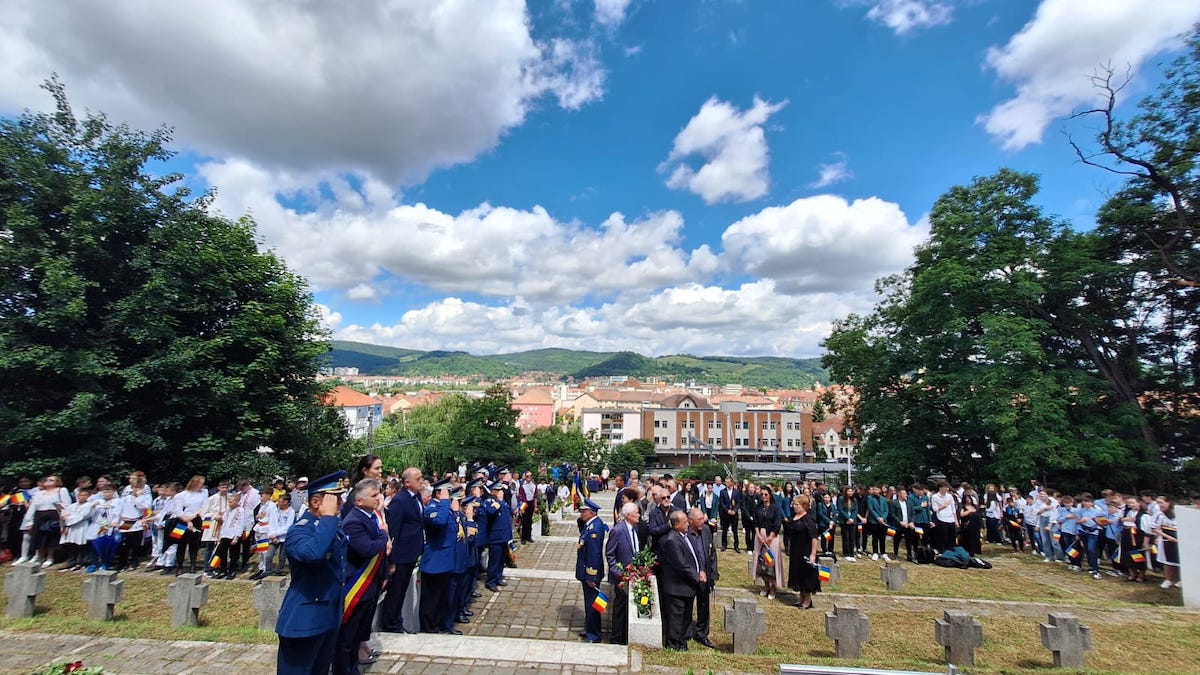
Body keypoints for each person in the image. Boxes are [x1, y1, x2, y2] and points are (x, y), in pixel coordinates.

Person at [276, 471, 347, 675]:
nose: (341, 503)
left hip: (328, 615)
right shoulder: (300, 530)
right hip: (305, 618)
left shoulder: (330, 526)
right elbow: (313, 553)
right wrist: (328, 518)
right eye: (335, 499)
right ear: (316, 502)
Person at [334, 478, 389, 675]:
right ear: (359, 501)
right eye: (373, 495)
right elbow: (367, 549)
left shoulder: (370, 516)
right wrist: (383, 535)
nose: (378, 498)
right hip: (357, 584)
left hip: (371, 583)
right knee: (347, 636)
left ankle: (353, 667)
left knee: (358, 633)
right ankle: (344, 670)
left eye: (379, 494)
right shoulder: (354, 521)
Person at [381, 467, 424, 633]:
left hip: (412, 551)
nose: (421, 482)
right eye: (418, 479)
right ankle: (391, 624)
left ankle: (397, 620)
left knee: (403, 590)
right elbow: (393, 531)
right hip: (401, 554)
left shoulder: (416, 497)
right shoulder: (400, 500)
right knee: (396, 591)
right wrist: (392, 560)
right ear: (407, 482)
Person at [659, 510, 702, 651]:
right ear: (676, 524)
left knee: (685, 617)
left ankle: (682, 642)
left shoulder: (683, 536)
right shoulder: (672, 540)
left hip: (686, 586)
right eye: (685, 522)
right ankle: (674, 644)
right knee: (676, 618)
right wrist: (697, 576)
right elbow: (680, 564)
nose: (688, 524)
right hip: (676, 587)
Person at [419, 478, 458, 633]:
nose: (450, 495)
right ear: (438, 493)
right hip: (435, 561)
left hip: (445, 559)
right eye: (447, 492)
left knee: (441, 597)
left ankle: (440, 625)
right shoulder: (432, 508)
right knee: (431, 600)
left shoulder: (443, 507)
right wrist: (445, 501)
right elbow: (440, 522)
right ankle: (429, 628)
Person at [605, 502, 641, 645]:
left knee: (628, 606)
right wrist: (619, 573)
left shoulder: (634, 528)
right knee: (620, 607)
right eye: (636, 513)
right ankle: (616, 637)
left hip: (634, 574)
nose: (639, 515)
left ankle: (626, 635)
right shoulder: (618, 530)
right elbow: (610, 554)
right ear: (629, 516)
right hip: (622, 577)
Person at [576, 499, 608, 643]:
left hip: (591, 573)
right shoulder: (590, 525)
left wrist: (591, 576)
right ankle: (590, 629)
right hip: (586, 571)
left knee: (593, 604)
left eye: (584, 511)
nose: (581, 514)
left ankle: (594, 635)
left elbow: (594, 555)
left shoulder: (594, 528)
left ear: (592, 512)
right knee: (589, 603)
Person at [686, 507, 718, 649]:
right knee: (687, 605)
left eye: (702, 519)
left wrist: (713, 573)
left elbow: (712, 553)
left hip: (705, 576)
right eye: (699, 520)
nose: (702, 522)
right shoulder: (685, 533)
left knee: (704, 606)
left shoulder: (705, 530)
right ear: (690, 521)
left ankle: (702, 634)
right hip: (690, 576)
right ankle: (686, 632)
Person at [784, 495, 820, 610]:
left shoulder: (808, 519)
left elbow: (814, 538)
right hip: (795, 551)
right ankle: (801, 597)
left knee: (806, 575)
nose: (794, 506)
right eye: (794, 504)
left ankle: (807, 599)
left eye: (797, 504)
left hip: (806, 550)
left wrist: (813, 554)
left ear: (804, 506)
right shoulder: (793, 517)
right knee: (797, 573)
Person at [750, 489, 783, 600]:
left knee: (771, 562)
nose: (763, 496)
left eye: (766, 494)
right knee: (762, 562)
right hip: (760, 535)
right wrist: (758, 534)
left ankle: (773, 586)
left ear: (770, 495)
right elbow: (755, 522)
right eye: (762, 494)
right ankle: (766, 585)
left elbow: (777, 524)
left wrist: (769, 538)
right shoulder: (758, 507)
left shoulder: (776, 508)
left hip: (772, 536)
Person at [480, 480, 512, 592]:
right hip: (495, 536)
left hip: (504, 535)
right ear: (493, 491)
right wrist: (499, 501)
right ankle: (491, 581)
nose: (500, 492)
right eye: (498, 490)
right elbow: (491, 511)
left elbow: (508, 513)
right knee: (494, 560)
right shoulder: (490, 501)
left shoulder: (501, 502)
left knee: (501, 559)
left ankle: (498, 577)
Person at [930, 480, 958, 552]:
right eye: (945, 487)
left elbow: (953, 509)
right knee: (943, 537)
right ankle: (942, 551)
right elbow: (935, 509)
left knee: (952, 537)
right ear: (940, 488)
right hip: (942, 518)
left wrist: (956, 520)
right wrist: (944, 506)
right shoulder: (935, 497)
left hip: (951, 518)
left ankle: (952, 551)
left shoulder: (949, 496)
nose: (947, 489)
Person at [719, 479, 740, 553]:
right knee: (724, 530)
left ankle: (736, 546)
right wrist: (727, 510)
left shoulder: (736, 492)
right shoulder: (722, 492)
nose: (726, 483)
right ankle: (724, 544)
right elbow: (721, 503)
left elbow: (738, 503)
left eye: (728, 482)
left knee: (735, 530)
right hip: (726, 514)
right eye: (725, 482)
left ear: (731, 483)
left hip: (734, 514)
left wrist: (735, 510)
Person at [517, 471, 538, 544]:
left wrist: (535, 506)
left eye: (530, 476)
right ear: (525, 477)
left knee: (529, 521)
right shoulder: (522, 486)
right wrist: (522, 508)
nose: (529, 477)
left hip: (531, 503)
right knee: (524, 521)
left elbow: (535, 496)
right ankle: (523, 538)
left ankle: (529, 536)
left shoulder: (534, 485)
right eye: (527, 476)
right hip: (525, 504)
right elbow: (520, 497)